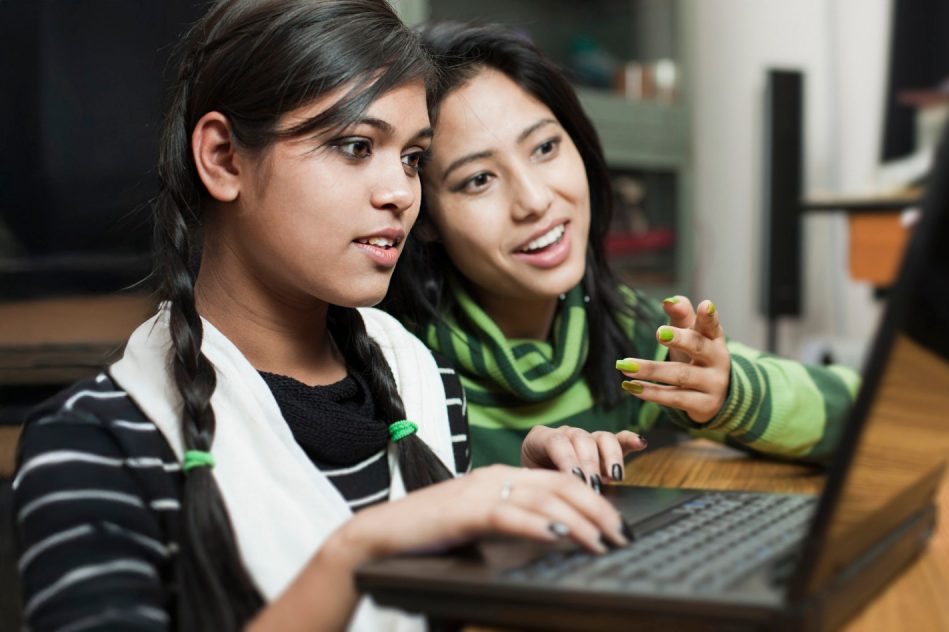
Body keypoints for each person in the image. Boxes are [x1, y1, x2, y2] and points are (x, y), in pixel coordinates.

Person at [11, 3, 630, 631]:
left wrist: (513, 512)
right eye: (356, 146)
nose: (400, 192)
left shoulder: (421, 380)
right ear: (224, 158)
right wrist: (355, 551)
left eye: (413, 158)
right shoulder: (92, 447)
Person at [382, 22, 861, 476]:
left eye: (545, 148)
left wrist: (726, 392)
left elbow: (859, 411)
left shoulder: (627, 335)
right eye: (478, 179)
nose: (534, 200)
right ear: (425, 218)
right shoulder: (393, 363)